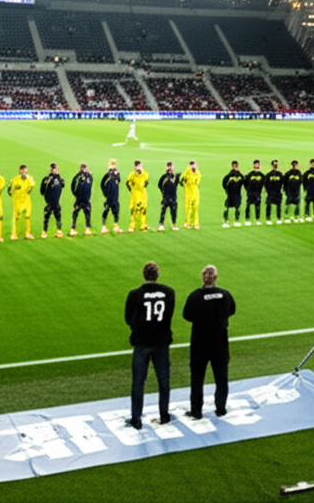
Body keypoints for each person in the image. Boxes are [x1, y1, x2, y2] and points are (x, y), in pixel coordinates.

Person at [124, 261, 175, 430]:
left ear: (144, 274)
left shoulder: (135, 294)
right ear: (157, 274)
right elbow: (169, 315)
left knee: (138, 382)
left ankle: (136, 418)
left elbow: (128, 318)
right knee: (163, 381)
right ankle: (164, 415)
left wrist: (138, 328)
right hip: (161, 342)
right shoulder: (169, 292)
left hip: (142, 342)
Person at [183, 264, 236, 420]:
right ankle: (221, 408)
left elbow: (187, 315)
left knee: (197, 378)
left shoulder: (194, 296)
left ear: (203, 277)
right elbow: (231, 311)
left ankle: (196, 410)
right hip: (219, 343)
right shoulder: (225, 295)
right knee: (221, 378)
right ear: (215, 278)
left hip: (200, 344)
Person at [8, 164, 36, 240]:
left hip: (26, 199)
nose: (23, 171)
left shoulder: (29, 179)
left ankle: (28, 233)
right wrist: (13, 196)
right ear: (19, 171)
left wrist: (27, 178)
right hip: (17, 200)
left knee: (27, 216)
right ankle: (14, 234)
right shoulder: (15, 179)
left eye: (25, 170)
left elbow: (32, 185)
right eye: (22, 170)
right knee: (17, 217)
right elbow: (9, 188)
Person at [39, 162, 65, 238]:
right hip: (50, 202)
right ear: (51, 169)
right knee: (47, 217)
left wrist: (58, 176)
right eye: (55, 169)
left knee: (58, 216)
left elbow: (63, 184)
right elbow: (42, 191)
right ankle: (44, 232)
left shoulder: (59, 179)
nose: (57, 170)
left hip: (56, 202)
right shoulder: (47, 179)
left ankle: (59, 231)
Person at [69, 163, 94, 236]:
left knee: (88, 213)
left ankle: (87, 228)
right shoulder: (77, 177)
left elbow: (90, 185)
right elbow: (73, 185)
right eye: (84, 168)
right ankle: (73, 228)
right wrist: (76, 194)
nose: (86, 170)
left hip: (86, 199)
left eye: (86, 168)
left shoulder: (89, 176)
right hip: (79, 199)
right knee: (75, 213)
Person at [101, 159, 124, 234]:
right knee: (106, 210)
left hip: (115, 195)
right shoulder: (107, 175)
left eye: (114, 164)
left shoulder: (117, 174)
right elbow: (102, 184)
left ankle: (116, 225)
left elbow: (119, 181)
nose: (113, 166)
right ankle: (103, 226)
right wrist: (105, 194)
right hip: (109, 196)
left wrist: (117, 174)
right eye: (112, 164)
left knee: (116, 210)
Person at [126, 160, 150, 232]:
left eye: (140, 166)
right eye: (137, 166)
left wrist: (143, 188)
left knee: (143, 209)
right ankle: (132, 226)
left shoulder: (145, 174)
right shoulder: (132, 175)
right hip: (135, 194)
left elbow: (146, 182)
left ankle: (143, 225)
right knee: (134, 210)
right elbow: (127, 183)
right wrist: (131, 189)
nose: (139, 168)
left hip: (142, 193)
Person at [158, 161, 181, 231]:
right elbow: (159, 185)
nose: (170, 168)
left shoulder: (175, 177)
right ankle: (161, 225)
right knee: (163, 211)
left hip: (173, 197)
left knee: (173, 211)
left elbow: (176, 185)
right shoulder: (164, 176)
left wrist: (177, 178)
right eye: (169, 167)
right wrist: (163, 192)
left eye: (171, 167)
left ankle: (173, 224)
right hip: (166, 196)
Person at [180, 160, 202, 229]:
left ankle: (196, 223)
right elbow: (182, 180)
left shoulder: (197, 173)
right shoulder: (187, 172)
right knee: (188, 208)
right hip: (188, 192)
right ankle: (187, 222)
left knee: (195, 208)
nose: (193, 166)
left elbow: (197, 182)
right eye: (191, 165)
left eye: (194, 165)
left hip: (195, 192)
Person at [221, 160, 244, 227]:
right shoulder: (229, 175)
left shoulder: (240, 175)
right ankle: (225, 221)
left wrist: (239, 172)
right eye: (233, 166)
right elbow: (224, 182)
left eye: (236, 166)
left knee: (237, 207)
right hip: (230, 194)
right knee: (227, 207)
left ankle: (237, 220)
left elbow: (243, 181)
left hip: (237, 194)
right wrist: (226, 190)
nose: (234, 167)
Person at [243, 160, 265, 224]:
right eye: (255, 164)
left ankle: (257, 219)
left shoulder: (262, 175)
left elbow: (264, 183)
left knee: (257, 206)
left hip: (258, 193)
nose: (256, 166)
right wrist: (248, 190)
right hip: (250, 193)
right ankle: (247, 219)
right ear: (253, 165)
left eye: (258, 164)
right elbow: (245, 183)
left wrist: (260, 189)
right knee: (248, 206)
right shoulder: (249, 175)